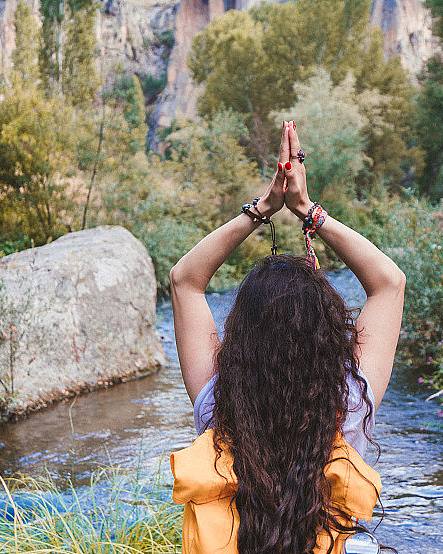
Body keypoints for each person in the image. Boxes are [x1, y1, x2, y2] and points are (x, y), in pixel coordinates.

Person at [169, 120, 405, 554]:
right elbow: (389, 282)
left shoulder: (217, 403)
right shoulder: (349, 403)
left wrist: (261, 209)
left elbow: (185, 280)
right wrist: (308, 210)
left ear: (241, 335)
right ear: (327, 333)